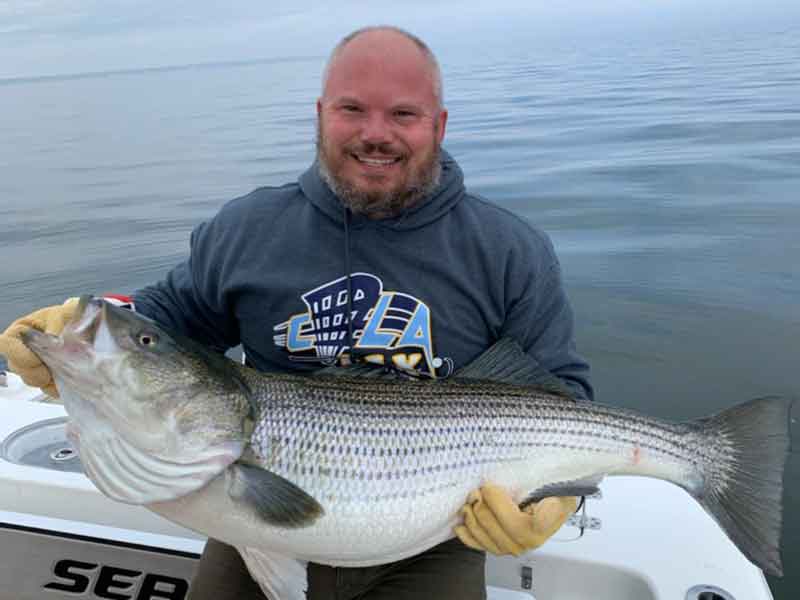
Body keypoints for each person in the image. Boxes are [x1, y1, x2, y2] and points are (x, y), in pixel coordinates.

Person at [0, 26, 592, 600]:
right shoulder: (247, 229)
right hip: (250, 517)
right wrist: (87, 320)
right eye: (352, 109)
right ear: (320, 115)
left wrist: (556, 496)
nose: (375, 133)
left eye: (403, 115)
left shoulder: (509, 250)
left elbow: (561, 393)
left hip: (435, 536)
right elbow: (171, 317)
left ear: (439, 125)